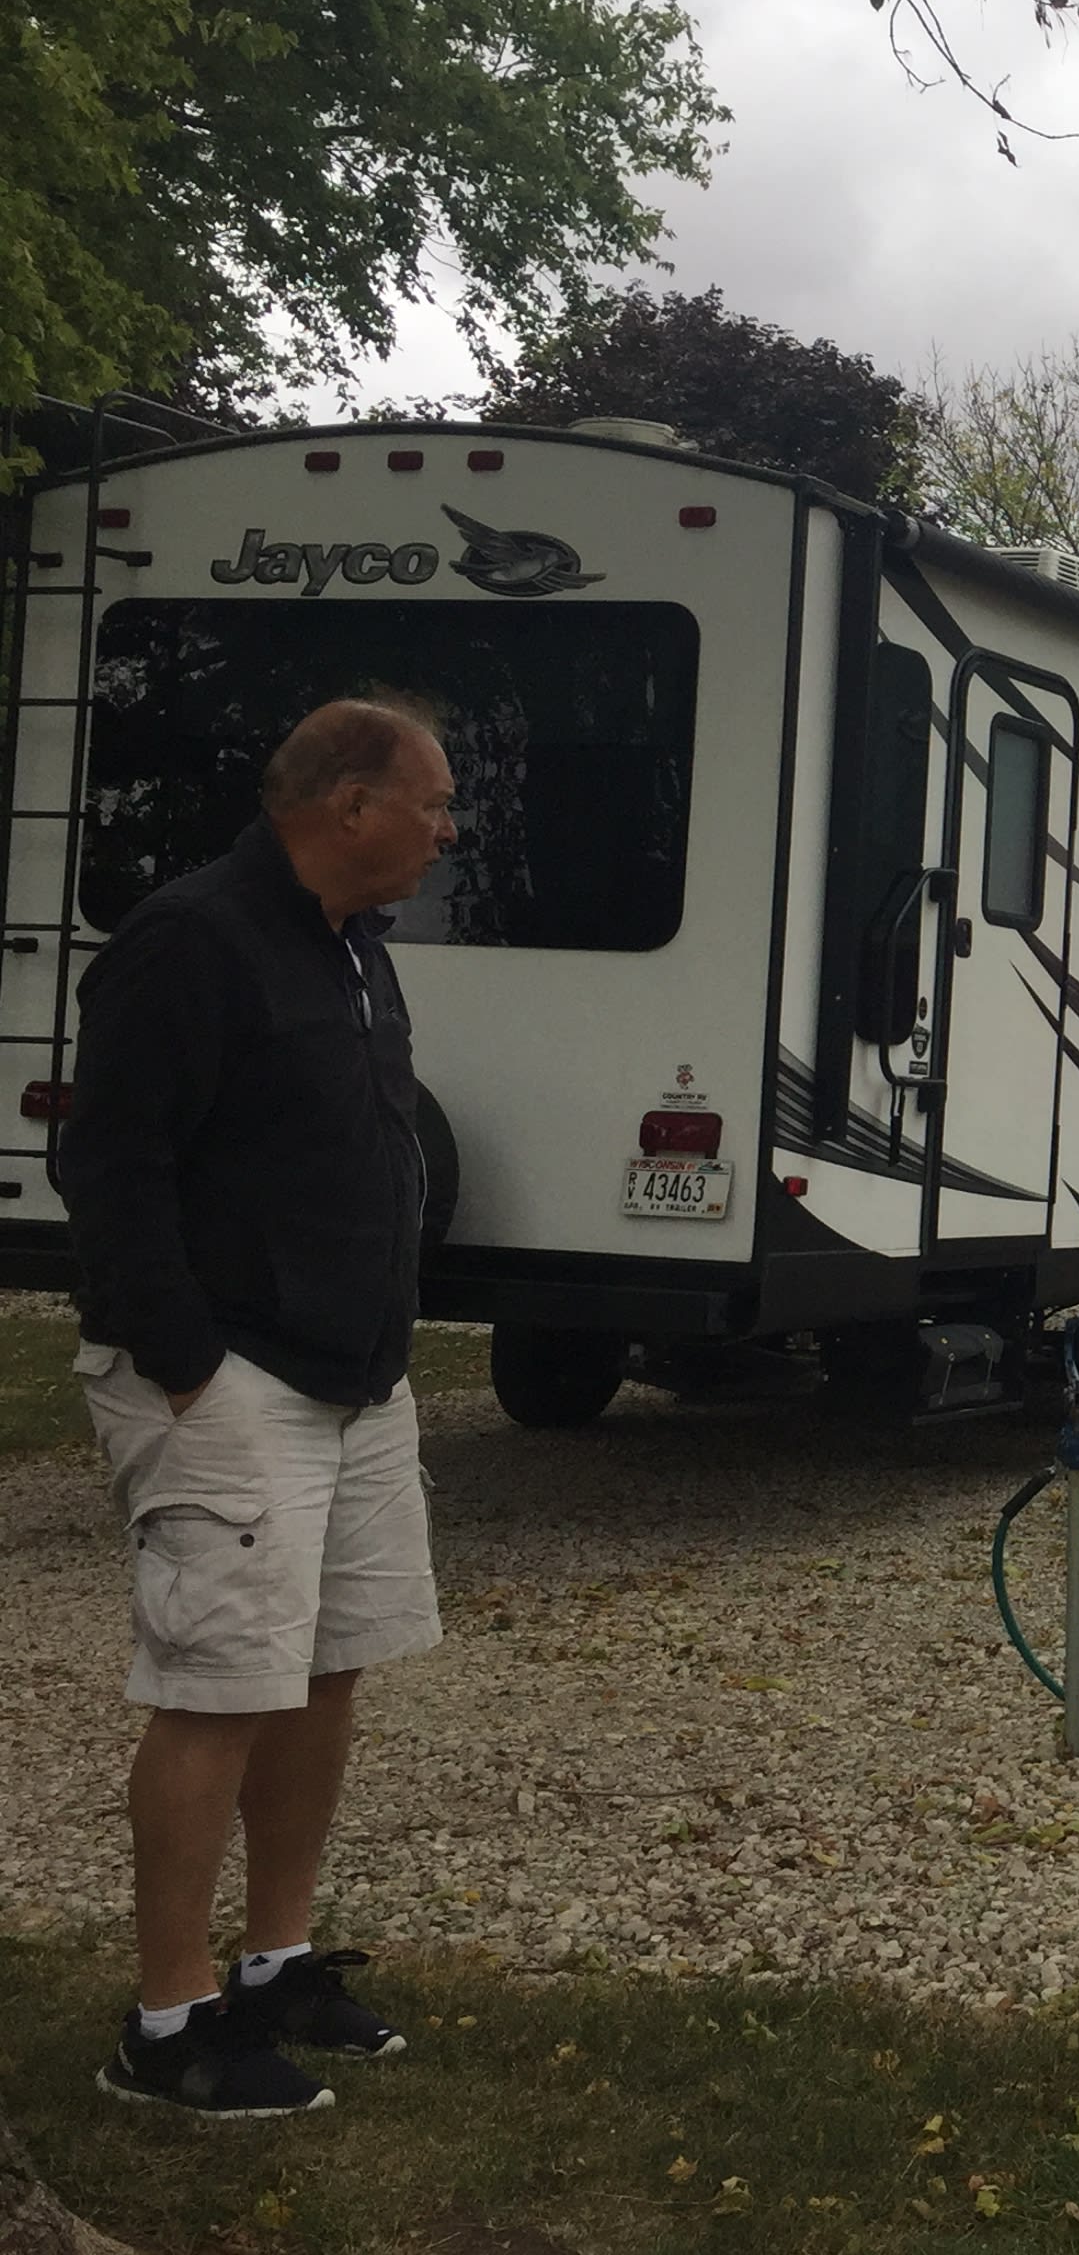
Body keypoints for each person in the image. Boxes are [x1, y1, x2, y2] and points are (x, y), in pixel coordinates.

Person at [61, 697, 459, 2117]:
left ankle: (273, 1964)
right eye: (430, 801)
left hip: (354, 1377)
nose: (445, 827)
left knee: (324, 1667)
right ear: (348, 805)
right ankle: (165, 2027)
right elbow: (110, 1165)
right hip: (229, 1376)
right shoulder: (195, 939)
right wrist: (183, 1361)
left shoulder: (353, 950)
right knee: (216, 1685)